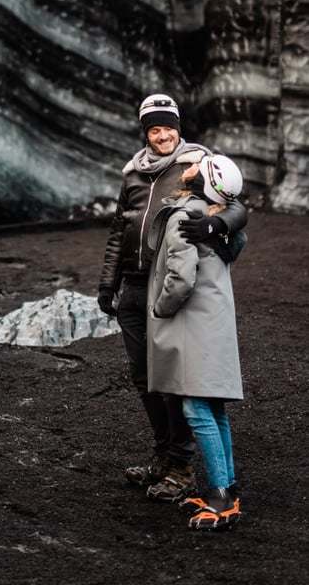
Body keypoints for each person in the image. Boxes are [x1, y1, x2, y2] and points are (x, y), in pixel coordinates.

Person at [97, 93, 247, 502]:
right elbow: (118, 230)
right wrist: (107, 284)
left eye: (169, 127)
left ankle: (182, 467)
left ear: (179, 128)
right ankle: (164, 455)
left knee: (175, 384)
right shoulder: (132, 174)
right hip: (133, 285)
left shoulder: (195, 164)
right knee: (146, 380)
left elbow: (235, 207)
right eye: (154, 129)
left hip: (164, 288)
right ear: (146, 133)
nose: (163, 135)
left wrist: (214, 229)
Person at [146, 153, 245, 530]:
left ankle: (220, 498)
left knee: (195, 409)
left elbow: (181, 277)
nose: (189, 163)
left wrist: (159, 308)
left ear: (201, 180)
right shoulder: (215, 219)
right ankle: (228, 488)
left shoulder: (184, 215)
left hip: (192, 323)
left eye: (196, 165)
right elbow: (239, 233)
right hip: (214, 319)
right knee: (213, 407)